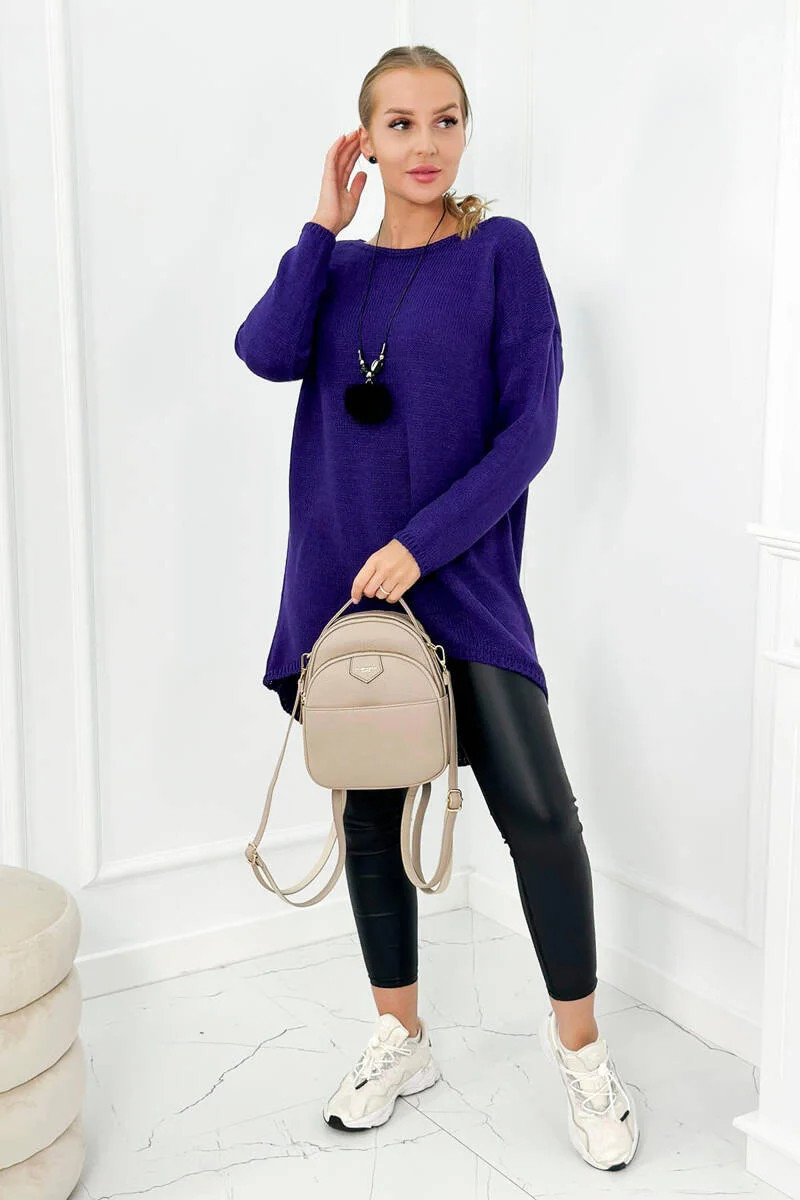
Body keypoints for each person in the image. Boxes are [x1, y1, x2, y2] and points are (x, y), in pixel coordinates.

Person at [234, 44, 639, 1171]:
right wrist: (320, 225)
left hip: (458, 579)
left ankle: (582, 1056)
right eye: (401, 124)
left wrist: (421, 545)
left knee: (540, 817)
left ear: (465, 131)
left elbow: (529, 432)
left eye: (445, 120)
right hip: (343, 589)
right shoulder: (334, 269)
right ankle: (399, 1036)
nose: (426, 144)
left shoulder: (501, 253)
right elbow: (263, 352)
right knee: (371, 820)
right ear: (364, 140)